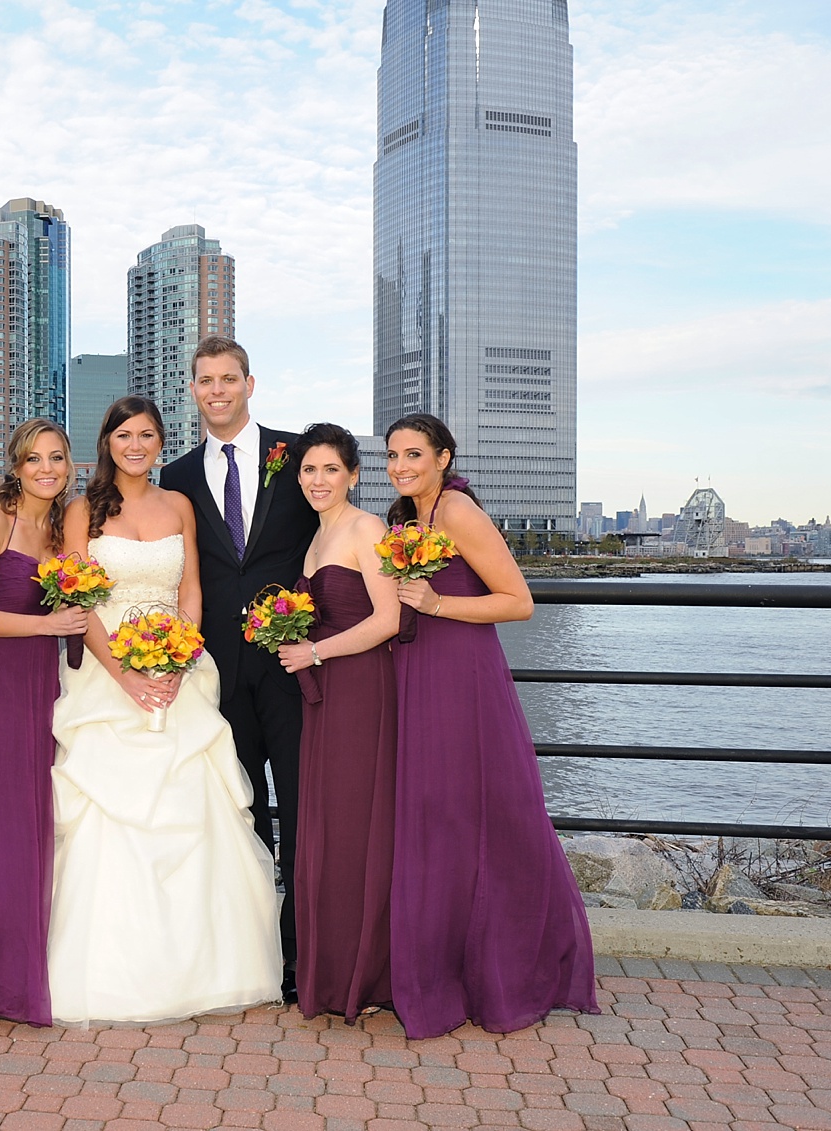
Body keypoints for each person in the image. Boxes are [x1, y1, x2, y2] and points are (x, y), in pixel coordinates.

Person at [47, 396, 282, 1024]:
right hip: (107, 671)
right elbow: (79, 600)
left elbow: (191, 588)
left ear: (159, 443)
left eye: (147, 435)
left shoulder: (178, 504)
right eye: (123, 435)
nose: (135, 445)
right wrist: (124, 673)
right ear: (107, 442)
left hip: (179, 666)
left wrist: (182, 655)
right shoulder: (81, 511)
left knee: (195, 803)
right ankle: (109, 972)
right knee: (111, 809)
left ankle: (209, 967)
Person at [384, 412, 598, 1038]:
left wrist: (437, 602)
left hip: (461, 674)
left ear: (443, 458)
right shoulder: (406, 519)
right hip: (417, 670)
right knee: (436, 814)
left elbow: (519, 600)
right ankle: (448, 965)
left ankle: (510, 967)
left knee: (481, 811)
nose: (400, 466)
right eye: (393, 456)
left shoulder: (456, 512)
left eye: (414, 455)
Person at [158, 336, 317, 996]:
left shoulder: (298, 455)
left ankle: (305, 953)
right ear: (192, 389)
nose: (217, 389)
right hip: (216, 667)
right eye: (205, 380)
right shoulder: (177, 477)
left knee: (307, 806)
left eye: (229, 378)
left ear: (250, 384)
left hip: (293, 661)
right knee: (242, 809)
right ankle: (254, 951)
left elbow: (332, 535)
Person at [0, 419, 87, 1026]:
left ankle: (23, 967)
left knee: (34, 826)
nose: (48, 469)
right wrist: (46, 626)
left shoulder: (62, 527)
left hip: (42, 686)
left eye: (57, 458)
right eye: (35, 460)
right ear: (16, 466)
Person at [274, 423, 399, 1024]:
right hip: (322, 691)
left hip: (360, 687)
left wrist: (316, 652)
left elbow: (389, 619)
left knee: (354, 821)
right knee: (328, 822)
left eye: (330, 470)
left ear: (354, 474)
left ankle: (366, 971)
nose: (318, 481)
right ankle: (334, 967)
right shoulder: (317, 536)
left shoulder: (365, 528)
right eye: (308, 470)